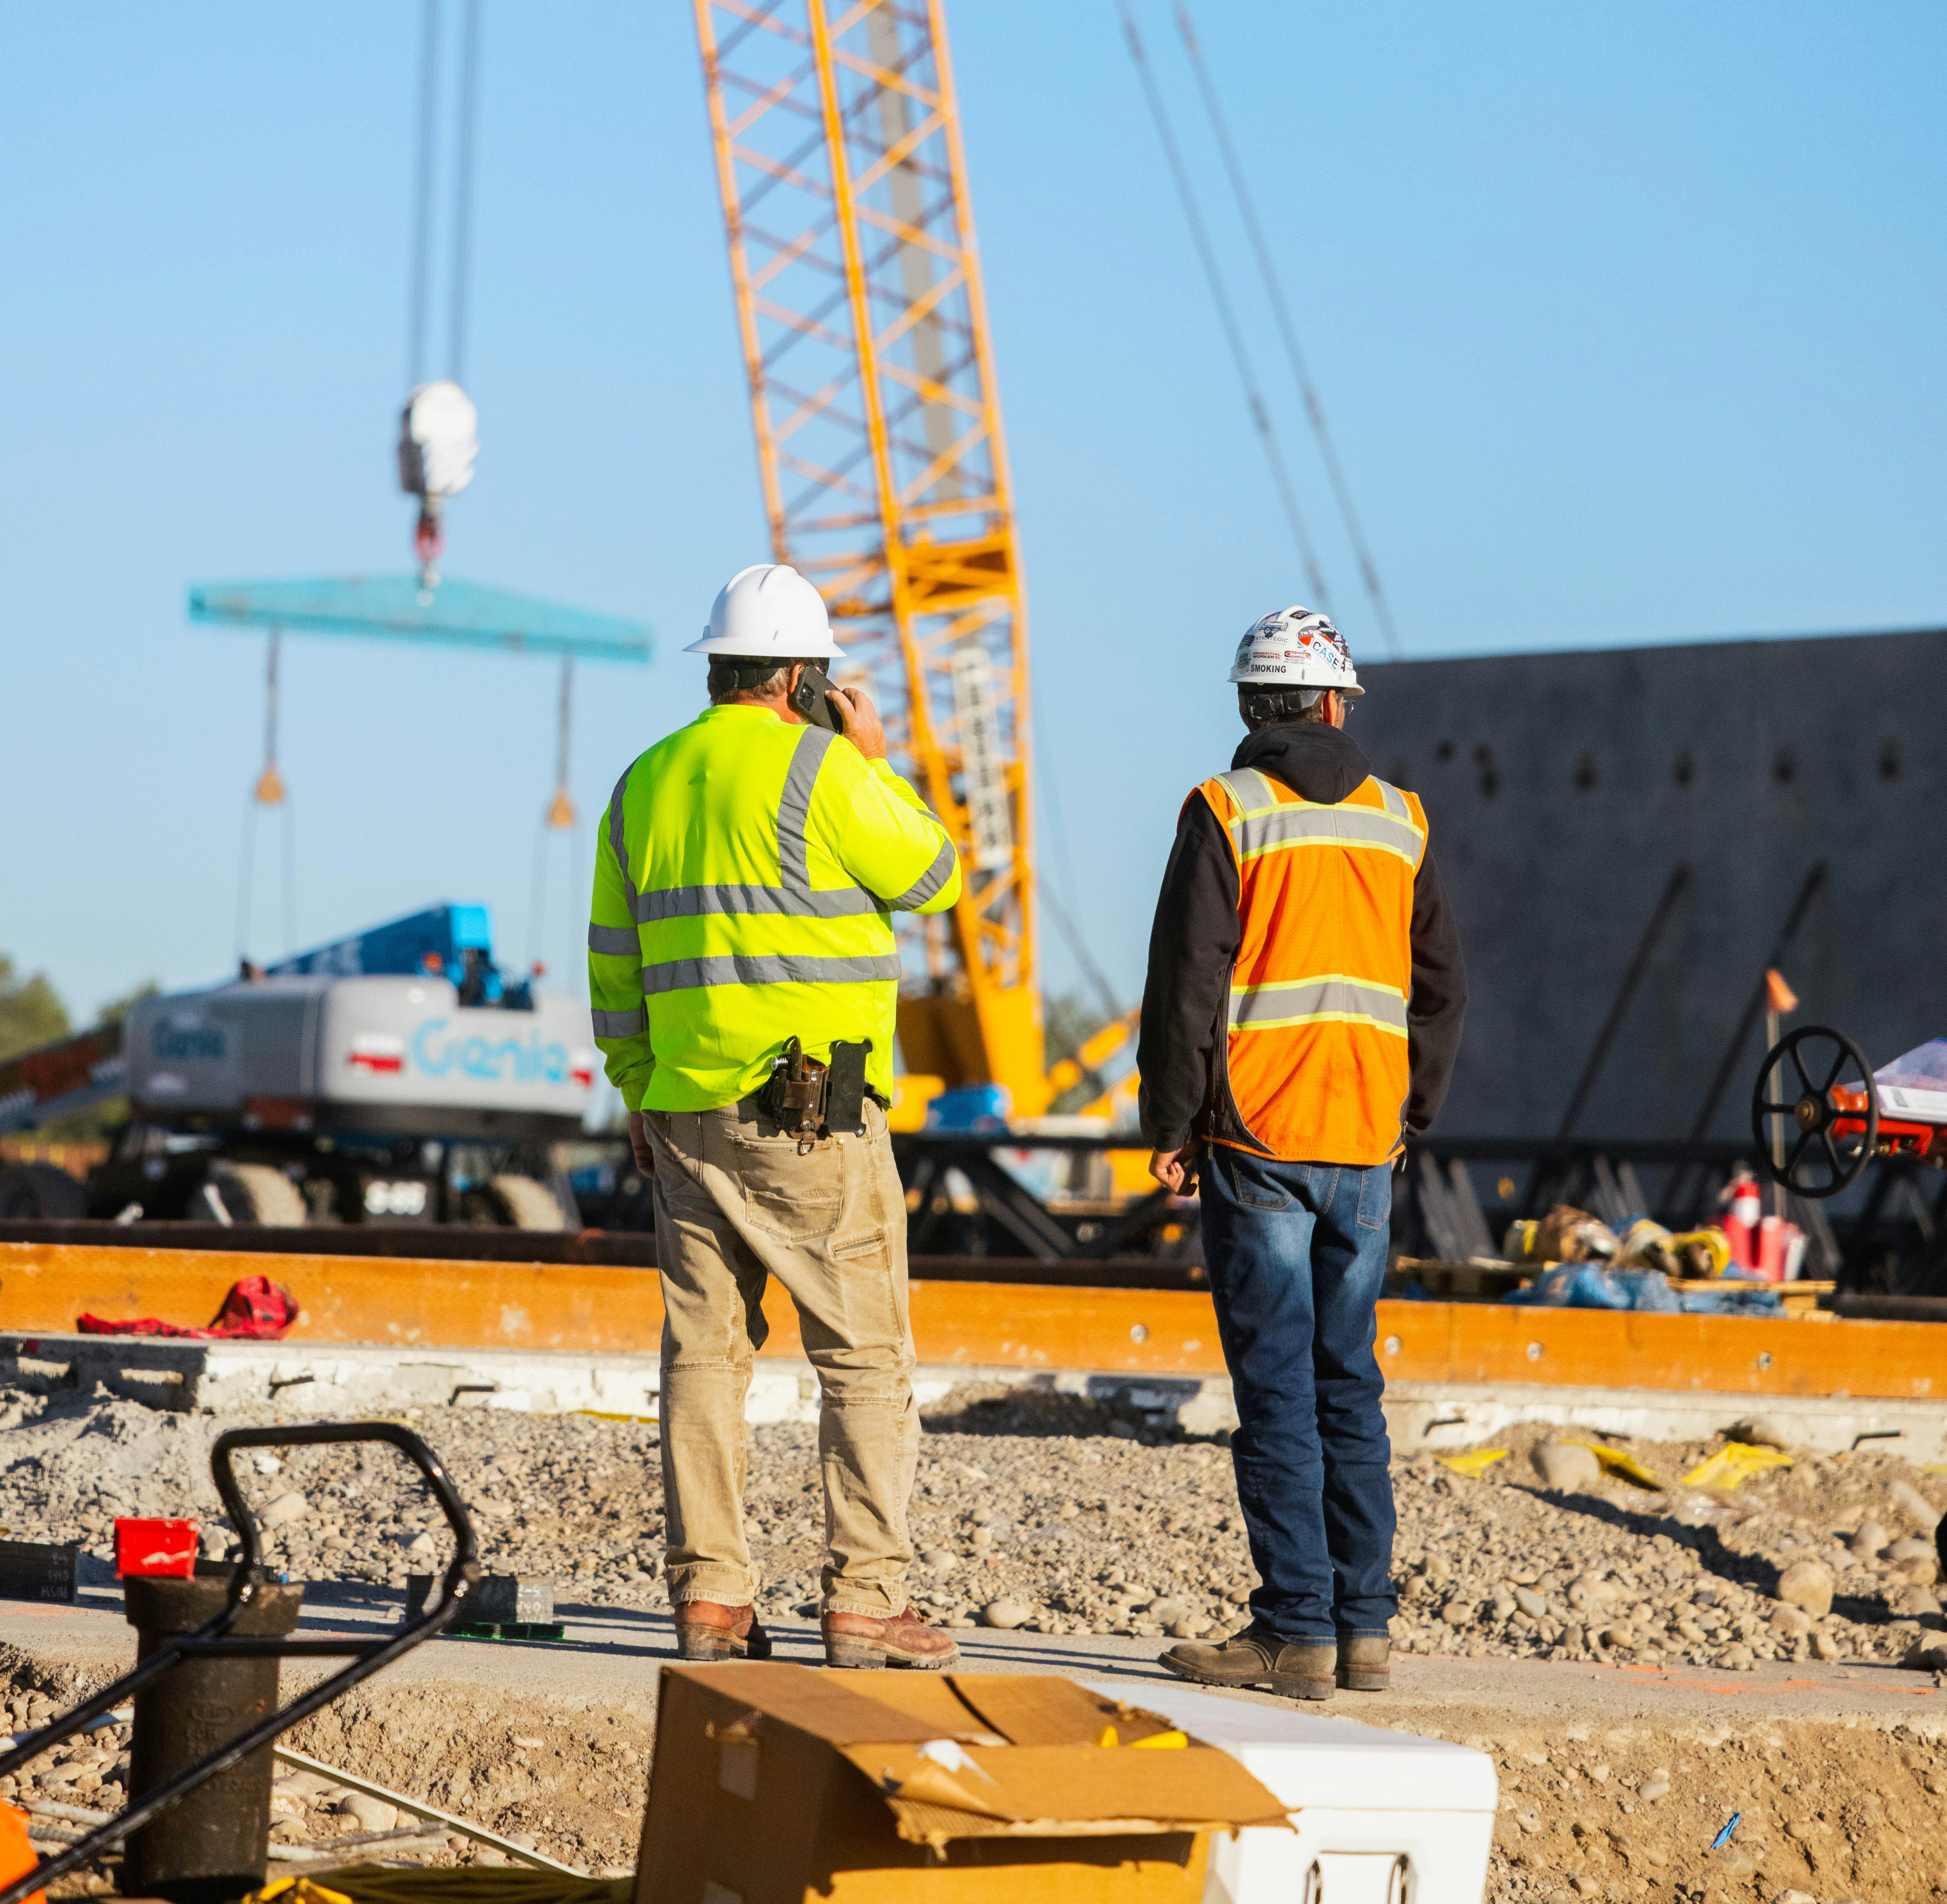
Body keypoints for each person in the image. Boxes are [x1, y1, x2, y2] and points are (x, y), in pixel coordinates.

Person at [588, 562, 964, 1671]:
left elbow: (616, 961)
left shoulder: (645, 781)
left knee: (705, 1357)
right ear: (804, 676)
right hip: (812, 1118)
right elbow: (935, 873)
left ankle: (710, 1601)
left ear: (718, 668)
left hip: (685, 1110)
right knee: (864, 1357)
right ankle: (864, 1603)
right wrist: (872, 759)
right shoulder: (826, 771)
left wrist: (636, 1087)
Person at [1137, 607, 1466, 1700]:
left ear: (1249, 708)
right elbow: (1440, 991)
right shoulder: (1402, 821)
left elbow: (1187, 981)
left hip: (1258, 1136)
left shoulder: (1227, 811)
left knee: (1277, 1389)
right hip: (1366, 1138)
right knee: (1348, 1386)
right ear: (1335, 703)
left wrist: (1171, 1125)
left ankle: (1295, 1631)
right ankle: (1362, 1631)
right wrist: (1410, 1108)